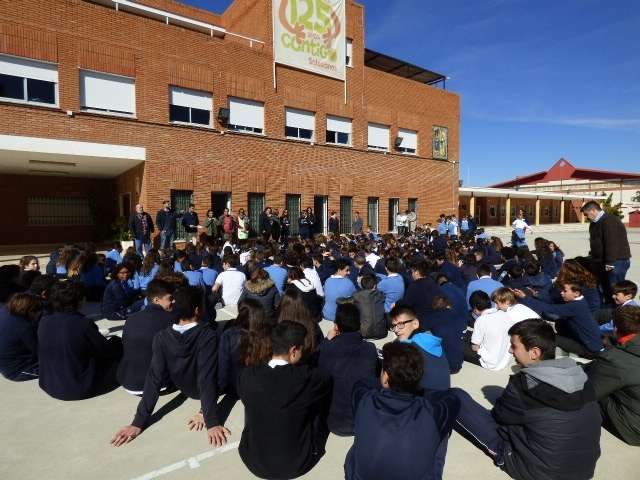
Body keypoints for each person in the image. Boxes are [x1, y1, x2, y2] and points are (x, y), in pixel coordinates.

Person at [452, 319, 601, 480]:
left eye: (514, 346)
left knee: (456, 397)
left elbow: (499, 417)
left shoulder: (523, 385)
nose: (510, 350)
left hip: (538, 472)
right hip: (584, 470)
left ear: (534, 353)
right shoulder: (581, 377)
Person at [111, 286, 229, 447]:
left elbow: (154, 378)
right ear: (197, 310)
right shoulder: (207, 335)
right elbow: (206, 378)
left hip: (185, 388)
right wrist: (211, 420)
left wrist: (138, 422)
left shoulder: (161, 337)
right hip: (207, 390)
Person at [345, 342, 460, 480]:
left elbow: (362, 383)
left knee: (360, 439)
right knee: (442, 430)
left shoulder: (364, 399)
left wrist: (392, 379)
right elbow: (453, 399)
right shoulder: (431, 412)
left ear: (386, 377)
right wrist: (417, 386)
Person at [237, 321, 331, 479]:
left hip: (254, 460)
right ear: (293, 351)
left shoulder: (247, 376)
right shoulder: (306, 379)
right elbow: (326, 379)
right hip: (297, 463)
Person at [39, 281, 123, 400]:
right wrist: (117, 341)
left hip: (49, 383)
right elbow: (106, 351)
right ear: (80, 300)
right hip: (77, 388)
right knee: (122, 359)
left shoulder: (44, 321)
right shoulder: (83, 324)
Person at [318, 304, 378, 436]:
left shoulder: (327, 348)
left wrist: (326, 341)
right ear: (359, 324)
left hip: (333, 421)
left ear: (336, 326)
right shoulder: (370, 349)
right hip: (361, 422)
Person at [586, 306, 640, 445]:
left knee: (585, 397)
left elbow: (589, 393)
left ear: (615, 328)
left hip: (634, 429)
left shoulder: (615, 358)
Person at [117, 280, 176, 394]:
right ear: (156, 300)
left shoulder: (131, 318)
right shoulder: (170, 320)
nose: (174, 301)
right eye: (170, 298)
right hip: (159, 386)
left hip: (128, 382)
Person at [515, 282, 604, 358]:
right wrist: (537, 295)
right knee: (559, 323)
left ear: (576, 293)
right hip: (591, 340)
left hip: (590, 349)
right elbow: (553, 302)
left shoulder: (575, 307)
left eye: (565, 291)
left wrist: (525, 298)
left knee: (549, 338)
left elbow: (549, 308)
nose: (561, 293)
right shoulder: (580, 301)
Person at [389, 305, 451, 391]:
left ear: (415, 323)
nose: (396, 330)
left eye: (400, 324)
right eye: (394, 326)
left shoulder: (408, 347)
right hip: (444, 393)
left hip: (424, 396)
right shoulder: (431, 339)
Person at [582, 200, 632, 302]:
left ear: (593, 210)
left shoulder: (609, 221)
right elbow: (597, 242)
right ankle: (608, 307)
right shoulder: (594, 223)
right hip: (602, 262)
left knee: (616, 289)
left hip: (616, 262)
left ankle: (619, 309)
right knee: (605, 288)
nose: (586, 217)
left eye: (586, 214)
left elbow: (611, 243)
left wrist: (610, 263)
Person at [464, 290, 520, 370]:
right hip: (504, 360)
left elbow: (474, 347)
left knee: (459, 345)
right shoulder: (506, 315)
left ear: (475, 309)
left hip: (489, 363)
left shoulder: (481, 320)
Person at [0, 293, 41, 381]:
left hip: (4, 362)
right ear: (29, 311)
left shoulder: (3, 311)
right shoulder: (24, 327)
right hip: (16, 370)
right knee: (57, 368)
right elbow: (40, 351)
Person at [403, 259, 444, 328]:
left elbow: (406, 306)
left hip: (422, 324)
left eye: (412, 272)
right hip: (436, 320)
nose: (412, 274)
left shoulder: (414, 286)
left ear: (417, 272)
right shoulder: (432, 282)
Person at [350, 274, 386, 339]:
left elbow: (339, 301)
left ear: (362, 286)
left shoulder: (357, 296)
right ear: (375, 285)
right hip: (381, 332)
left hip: (364, 333)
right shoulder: (381, 295)